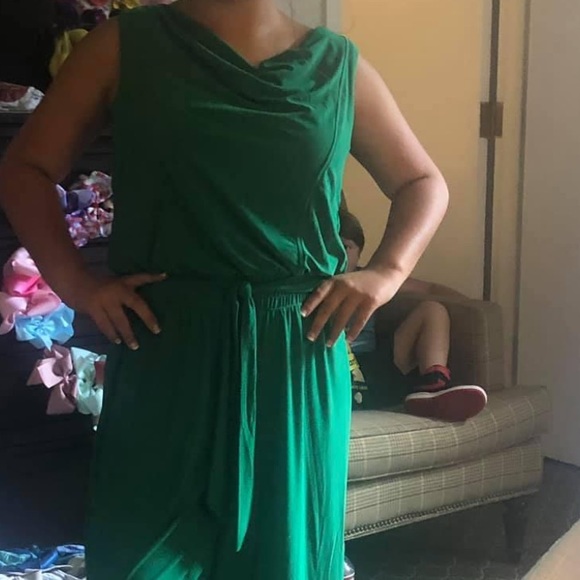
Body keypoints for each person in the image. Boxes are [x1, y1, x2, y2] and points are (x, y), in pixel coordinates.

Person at [0, 1, 449, 578]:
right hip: (165, 348)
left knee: (286, 559)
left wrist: (386, 273)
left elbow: (422, 182)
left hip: (295, 357)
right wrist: (76, 284)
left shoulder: (338, 66)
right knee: (141, 559)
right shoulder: (121, 45)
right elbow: (26, 169)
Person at [340, 209, 487, 422]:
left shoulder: (372, 279)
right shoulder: (309, 282)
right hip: (334, 365)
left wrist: (473, 304)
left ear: (359, 252)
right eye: (330, 246)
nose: (338, 254)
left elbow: (428, 289)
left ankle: (433, 386)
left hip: (373, 363)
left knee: (432, 310)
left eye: (346, 247)